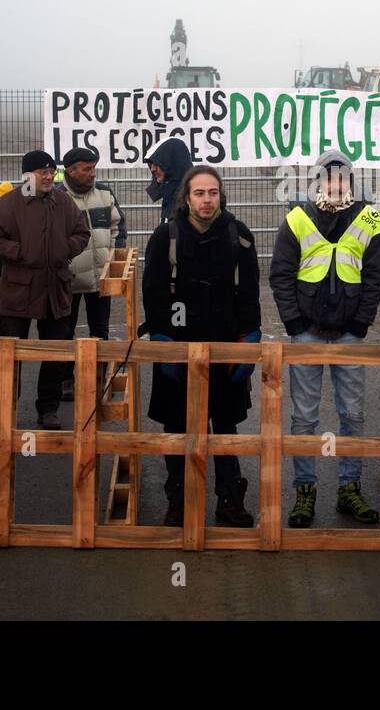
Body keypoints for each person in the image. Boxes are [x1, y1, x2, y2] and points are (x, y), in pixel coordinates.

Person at [269, 150, 380, 527]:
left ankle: (349, 488)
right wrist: (294, 325)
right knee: (304, 418)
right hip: (307, 335)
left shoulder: (369, 218)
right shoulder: (298, 218)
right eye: (329, 179)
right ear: (318, 182)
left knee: (352, 414)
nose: (336, 186)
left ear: (351, 183)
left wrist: (360, 326)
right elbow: (280, 275)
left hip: (350, 336)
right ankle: (305, 491)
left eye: (343, 179)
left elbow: (375, 277)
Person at [141, 165, 261, 527]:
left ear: (220, 195)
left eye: (212, 192)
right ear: (187, 197)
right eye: (199, 193)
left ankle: (230, 500)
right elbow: (153, 292)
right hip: (177, 345)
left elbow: (251, 292)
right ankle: (180, 498)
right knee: (177, 426)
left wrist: (249, 339)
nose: (207, 200)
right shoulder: (165, 238)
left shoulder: (239, 236)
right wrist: (161, 342)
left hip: (225, 346)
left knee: (225, 425)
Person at [0, 150, 90, 430]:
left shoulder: (63, 202)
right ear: (27, 175)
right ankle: (6, 410)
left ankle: (48, 410)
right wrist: (19, 252)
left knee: (54, 354)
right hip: (19, 291)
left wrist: (65, 248)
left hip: (56, 290)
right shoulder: (8, 204)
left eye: (52, 172)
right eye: (43, 172)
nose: (49, 176)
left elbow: (82, 233)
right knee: (9, 354)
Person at [60, 147, 127, 399]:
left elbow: (118, 227)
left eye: (93, 167)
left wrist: (112, 258)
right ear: (71, 171)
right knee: (65, 332)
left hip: (100, 278)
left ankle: (98, 379)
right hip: (69, 280)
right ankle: (66, 379)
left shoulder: (105, 193)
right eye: (87, 169)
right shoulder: (58, 197)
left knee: (100, 331)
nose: (92, 173)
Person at [145, 137, 192, 223]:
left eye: (157, 163)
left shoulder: (188, 200)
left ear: (172, 163)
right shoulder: (171, 194)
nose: (152, 169)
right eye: (151, 164)